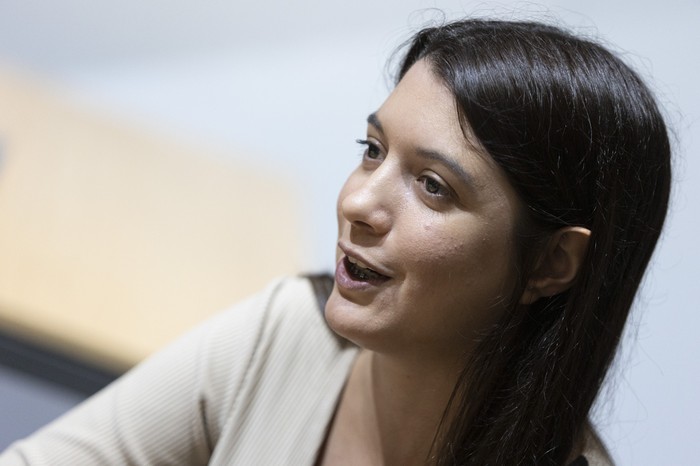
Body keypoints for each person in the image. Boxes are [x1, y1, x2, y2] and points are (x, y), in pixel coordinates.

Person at [1, 18, 670, 466]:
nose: (358, 201)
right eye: (372, 150)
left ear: (551, 264)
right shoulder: (288, 334)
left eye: (433, 186)